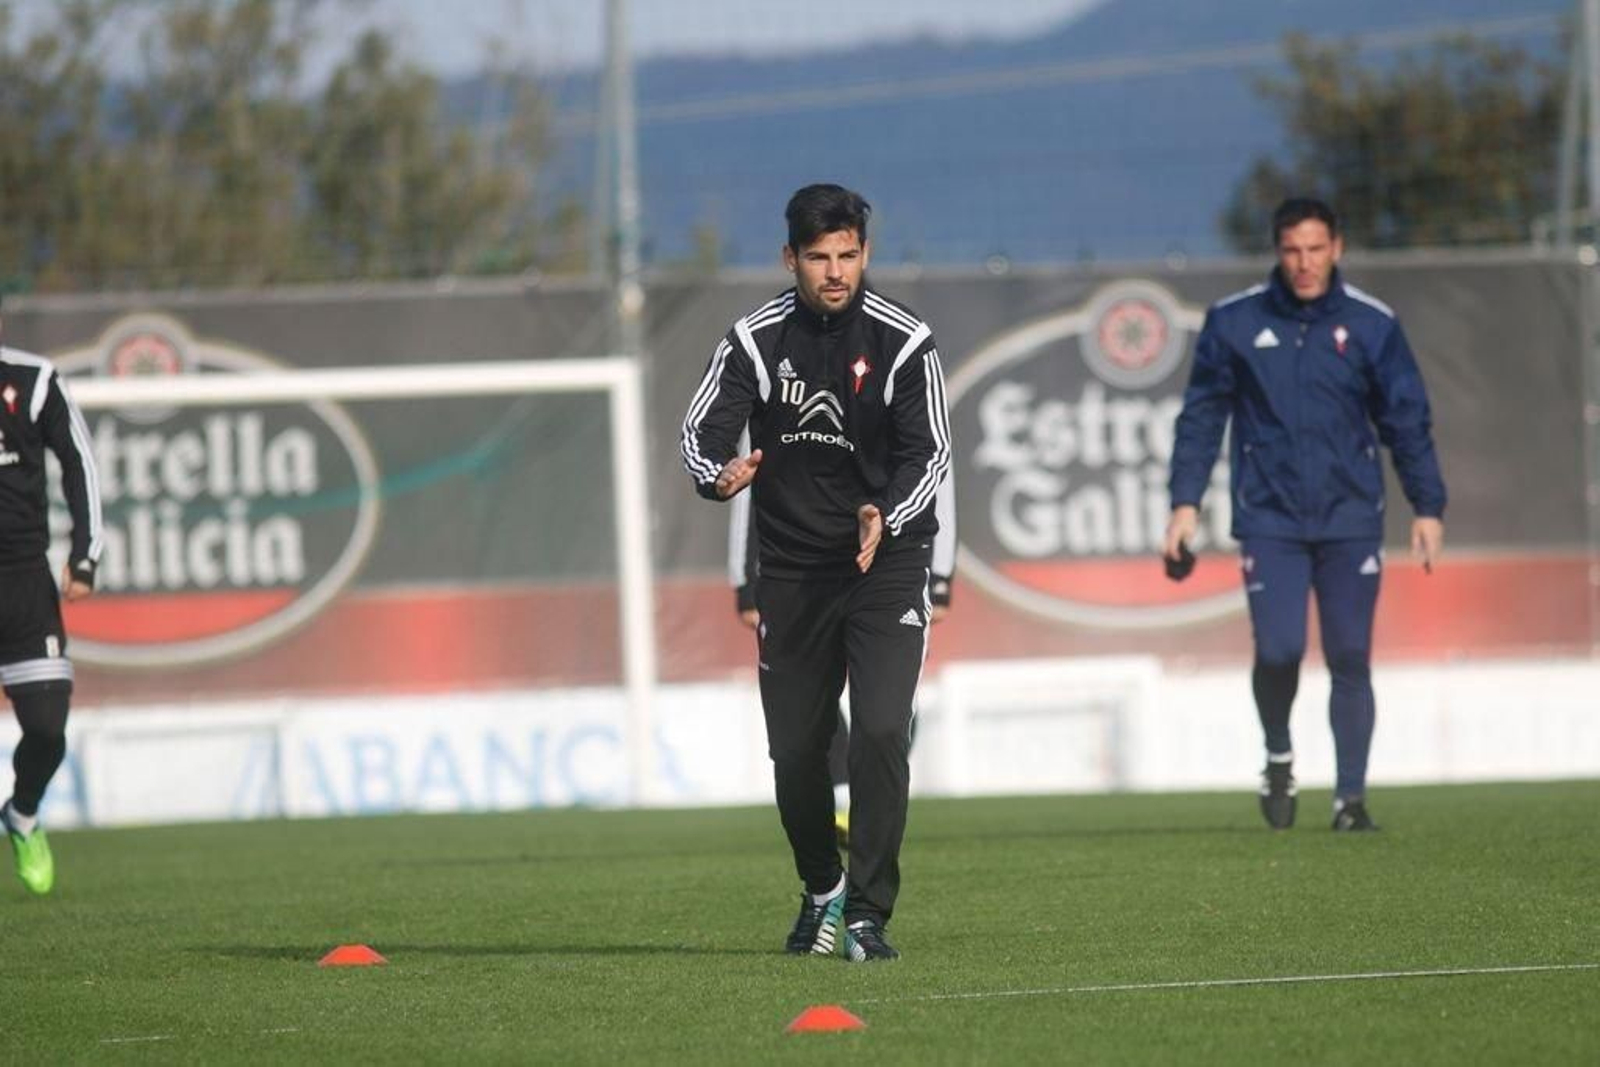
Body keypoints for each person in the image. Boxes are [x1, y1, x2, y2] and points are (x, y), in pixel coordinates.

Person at [681, 183, 951, 961]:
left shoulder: (906, 340)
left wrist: (886, 513)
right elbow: (700, 429)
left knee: (875, 730)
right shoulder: (755, 339)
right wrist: (717, 474)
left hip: (885, 564)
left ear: (865, 252)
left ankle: (867, 913)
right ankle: (821, 886)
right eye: (818, 257)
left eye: (848, 255)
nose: (835, 271)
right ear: (789, 257)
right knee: (795, 753)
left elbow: (929, 452)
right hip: (793, 571)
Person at [1164, 197, 1446, 833]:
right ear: (1277, 251)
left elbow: (1406, 420)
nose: (1304, 263)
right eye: (1292, 250)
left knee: (1350, 656)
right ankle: (1278, 753)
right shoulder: (1235, 321)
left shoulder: (1373, 324)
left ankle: (1350, 800)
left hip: (1351, 518)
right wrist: (1184, 504)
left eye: (1316, 249)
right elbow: (1201, 418)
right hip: (1270, 518)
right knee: (1282, 650)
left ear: (1337, 248)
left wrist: (1427, 504)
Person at [728, 466, 956, 846]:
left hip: (897, 568)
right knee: (809, 689)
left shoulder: (911, 407)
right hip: (805, 570)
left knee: (889, 703)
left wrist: (941, 576)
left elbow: (937, 481)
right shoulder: (775, 407)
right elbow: (750, 489)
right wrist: (745, 581)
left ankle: (869, 803)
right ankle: (840, 793)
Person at [0, 293, 103, 893]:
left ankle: (22, 813)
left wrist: (85, 554)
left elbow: (79, 464)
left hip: (20, 578)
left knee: (46, 727)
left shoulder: (33, 381)